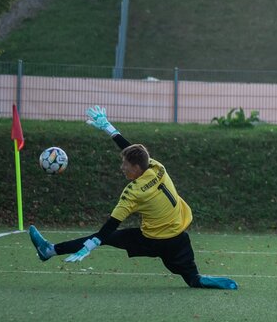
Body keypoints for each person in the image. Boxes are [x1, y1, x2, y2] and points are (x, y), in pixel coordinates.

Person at [27, 106, 238, 290]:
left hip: (153, 240)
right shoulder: (157, 167)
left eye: (125, 165)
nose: (122, 167)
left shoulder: (133, 192)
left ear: (136, 168)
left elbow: (110, 225)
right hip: (179, 236)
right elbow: (134, 152)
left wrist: (92, 244)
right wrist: (109, 128)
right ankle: (199, 279)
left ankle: (50, 250)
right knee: (192, 278)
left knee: (107, 237)